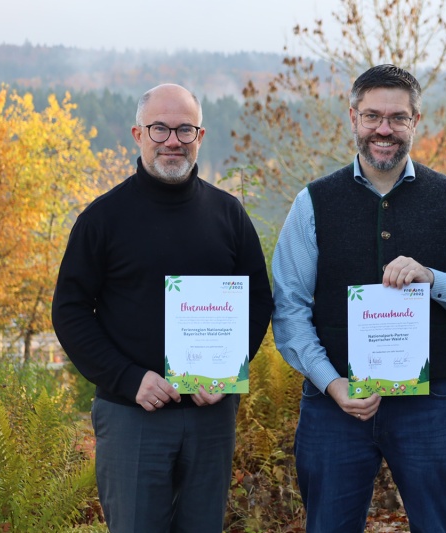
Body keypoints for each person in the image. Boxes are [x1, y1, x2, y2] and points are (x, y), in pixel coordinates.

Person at [272, 64, 446, 532]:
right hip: (335, 404)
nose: (384, 129)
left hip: (432, 405)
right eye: (373, 116)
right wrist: (330, 383)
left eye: (398, 118)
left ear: (415, 122)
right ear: (353, 117)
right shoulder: (312, 203)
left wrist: (433, 279)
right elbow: (289, 308)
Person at [51, 83, 274, 533]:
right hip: (132, 413)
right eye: (160, 129)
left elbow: (258, 299)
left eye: (184, 129)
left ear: (200, 136)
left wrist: (228, 371)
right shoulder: (102, 219)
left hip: (211, 413)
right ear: (138, 134)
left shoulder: (228, 214)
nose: (173, 140)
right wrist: (128, 378)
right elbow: (70, 312)